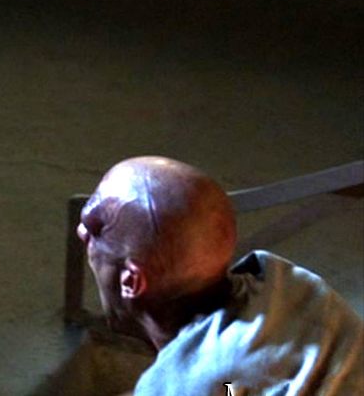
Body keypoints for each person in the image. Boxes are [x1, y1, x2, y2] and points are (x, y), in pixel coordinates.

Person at [76, 156, 363, 395]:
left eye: (95, 228)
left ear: (131, 281)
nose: (81, 232)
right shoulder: (286, 283)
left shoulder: (181, 385)